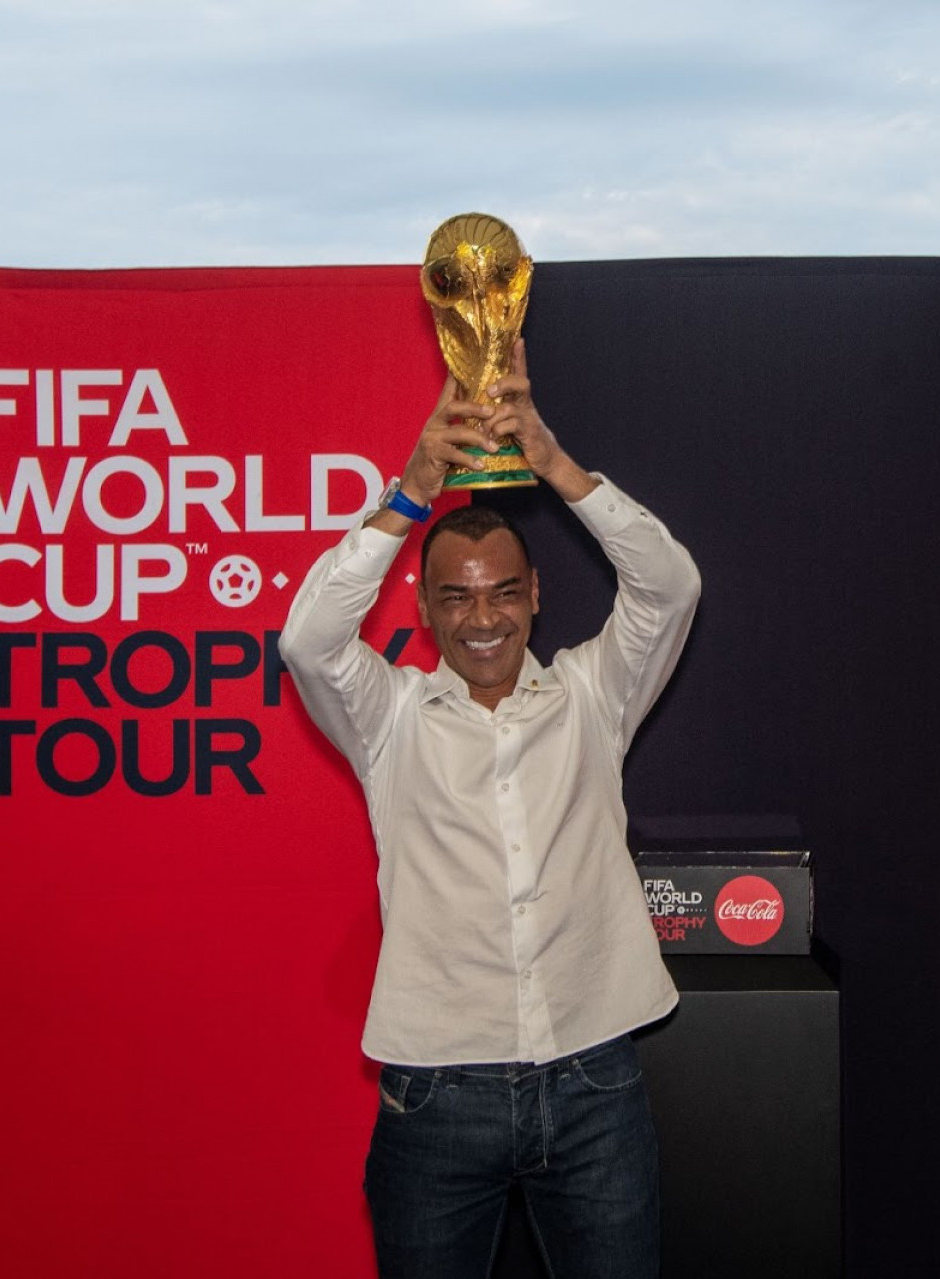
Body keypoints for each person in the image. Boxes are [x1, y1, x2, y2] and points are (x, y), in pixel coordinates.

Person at [279, 339, 700, 1279]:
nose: (484, 619)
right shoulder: (388, 716)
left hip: (596, 1082)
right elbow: (308, 640)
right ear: (425, 610)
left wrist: (553, 465)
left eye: (506, 592)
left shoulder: (593, 696)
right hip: (435, 1094)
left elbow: (671, 587)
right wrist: (416, 482)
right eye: (458, 599)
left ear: (537, 596)